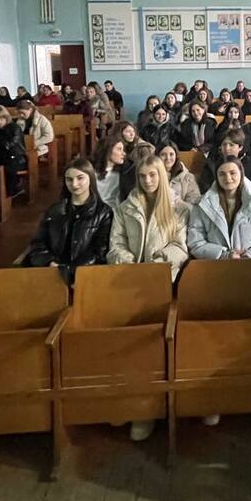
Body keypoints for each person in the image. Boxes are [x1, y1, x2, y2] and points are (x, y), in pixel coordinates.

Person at [107, 156, 189, 442]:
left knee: (157, 347)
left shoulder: (179, 208)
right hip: (130, 281)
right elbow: (115, 244)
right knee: (128, 347)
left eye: (153, 175)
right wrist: (129, 261)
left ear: (162, 176)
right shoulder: (125, 208)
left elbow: (181, 246)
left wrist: (159, 261)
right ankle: (132, 406)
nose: (147, 181)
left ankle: (152, 410)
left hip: (164, 282)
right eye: (142, 176)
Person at [25, 158, 112, 285]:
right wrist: (50, 263)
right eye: (69, 179)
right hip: (53, 273)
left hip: (85, 275)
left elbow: (100, 251)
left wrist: (69, 270)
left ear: (90, 178)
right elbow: (38, 243)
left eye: (80, 178)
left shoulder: (103, 212)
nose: (74, 184)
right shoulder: (55, 210)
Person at [187, 156, 251, 260]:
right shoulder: (202, 205)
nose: (228, 178)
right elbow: (196, 242)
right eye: (222, 174)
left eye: (232, 173)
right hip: (215, 264)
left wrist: (246, 256)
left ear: (241, 174)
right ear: (217, 177)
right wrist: (225, 255)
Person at [0, 105, 27, 195]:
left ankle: (10, 192)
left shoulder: (15, 128)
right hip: (1, 158)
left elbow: (9, 146)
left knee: (6, 169)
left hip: (16, 159)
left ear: (4, 118)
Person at [199, 128, 251, 193]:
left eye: (231, 145)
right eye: (224, 144)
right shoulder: (211, 163)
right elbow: (205, 187)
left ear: (240, 147)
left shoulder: (249, 164)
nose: (227, 148)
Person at [91, 134, 135, 209]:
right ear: (108, 150)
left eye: (123, 150)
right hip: (95, 211)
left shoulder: (126, 171)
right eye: (119, 149)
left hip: (116, 211)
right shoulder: (90, 171)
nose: (124, 153)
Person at [158, 142, 201, 207]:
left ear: (176, 156)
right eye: (163, 154)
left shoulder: (188, 177)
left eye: (171, 154)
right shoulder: (152, 176)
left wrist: (177, 203)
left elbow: (194, 201)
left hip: (181, 211)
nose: (168, 158)